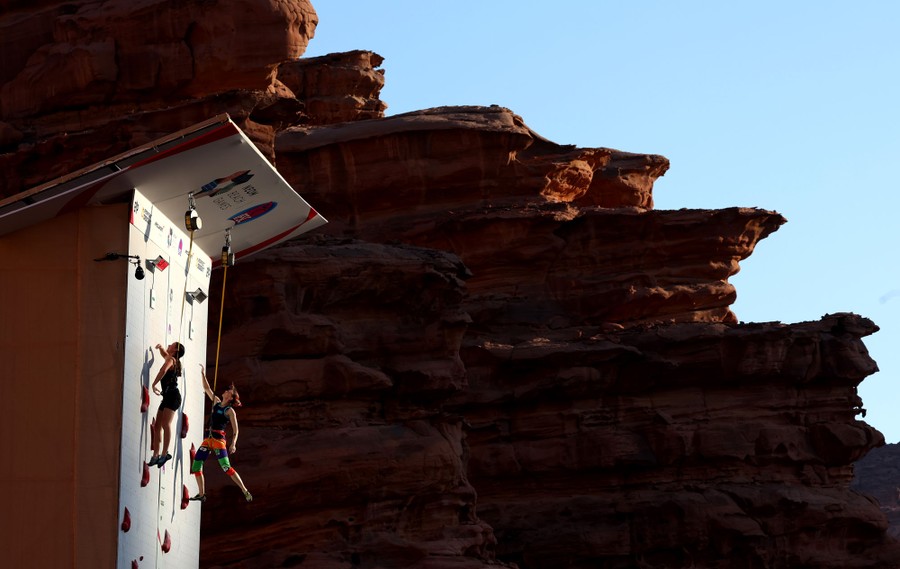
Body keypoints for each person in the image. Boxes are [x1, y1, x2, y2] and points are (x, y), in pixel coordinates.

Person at [190, 364, 253, 502]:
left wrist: (233, 444)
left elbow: (236, 430)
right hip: (208, 439)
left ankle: (244, 490)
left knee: (226, 468)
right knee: (196, 465)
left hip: (218, 441)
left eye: (229, 392)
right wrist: (202, 374)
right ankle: (202, 494)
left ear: (230, 397)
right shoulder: (217, 402)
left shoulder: (230, 411)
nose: (226, 391)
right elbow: (207, 388)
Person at [148, 341, 184, 468]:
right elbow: (165, 354)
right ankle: (156, 455)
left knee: (165, 424)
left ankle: (164, 454)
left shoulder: (171, 360)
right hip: (168, 397)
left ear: (174, 350)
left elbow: (163, 370)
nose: (168, 346)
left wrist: (153, 384)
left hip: (173, 396)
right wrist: (161, 348)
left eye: (171, 345)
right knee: (158, 426)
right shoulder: (171, 358)